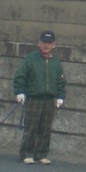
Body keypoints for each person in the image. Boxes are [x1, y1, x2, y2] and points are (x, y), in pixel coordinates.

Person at [13, 30, 66, 164]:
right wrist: (19, 92)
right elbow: (20, 76)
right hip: (34, 98)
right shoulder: (31, 59)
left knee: (45, 129)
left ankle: (41, 154)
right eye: (44, 43)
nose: (46, 46)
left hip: (49, 100)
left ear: (54, 45)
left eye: (49, 43)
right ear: (39, 43)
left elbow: (60, 81)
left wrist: (60, 96)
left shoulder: (56, 62)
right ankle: (26, 153)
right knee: (31, 127)